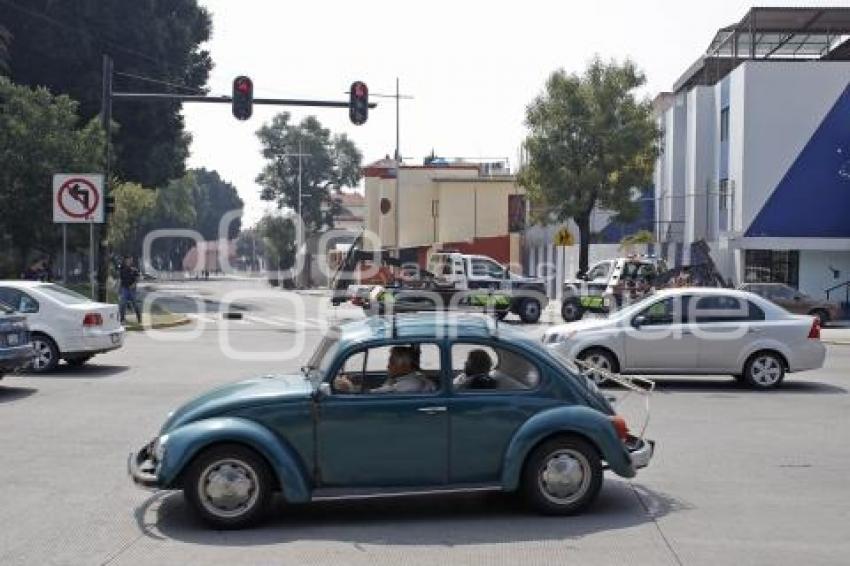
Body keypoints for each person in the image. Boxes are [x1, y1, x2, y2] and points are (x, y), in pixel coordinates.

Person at [335, 346, 434, 394]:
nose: (388, 366)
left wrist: (349, 387)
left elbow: (375, 394)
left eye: (392, 362)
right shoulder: (406, 378)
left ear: (405, 366)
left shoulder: (407, 385)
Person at [119, 256, 142, 323]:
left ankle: (139, 318)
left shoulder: (134, 269)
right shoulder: (122, 269)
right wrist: (119, 289)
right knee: (122, 304)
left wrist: (134, 284)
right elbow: (120, 279)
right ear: (126, 261)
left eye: (130, 260)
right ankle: (122, 319)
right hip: (124, 289)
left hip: (132, 290)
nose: (129, 261)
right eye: (128, 260)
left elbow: (138, 278)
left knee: (135, 305)